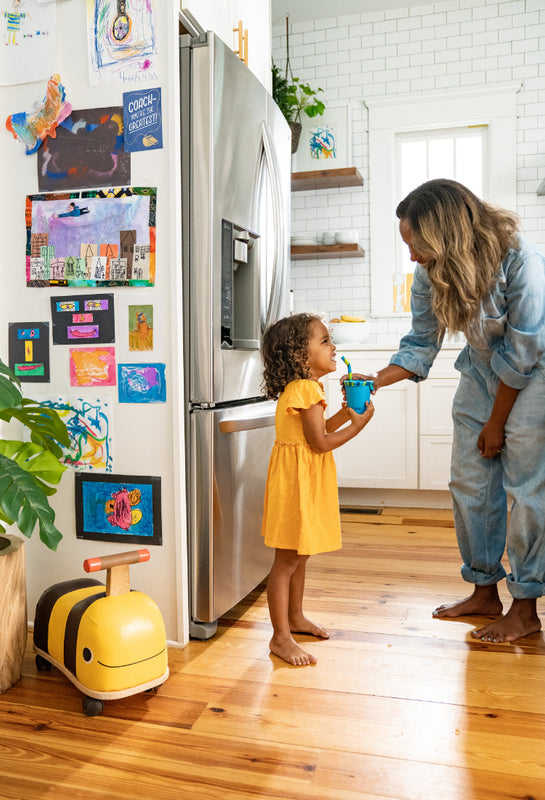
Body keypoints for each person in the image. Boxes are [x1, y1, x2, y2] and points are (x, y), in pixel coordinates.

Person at [349, 178, 545, 643]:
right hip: (480, 372)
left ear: (447, 233)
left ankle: (525, 605)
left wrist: (496, 424)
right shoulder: (431, 273)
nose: (413, 257)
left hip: (534, 374)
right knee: (468, 481)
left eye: (416, 244)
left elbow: (522, 354)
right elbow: (419, 344)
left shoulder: (522, 261)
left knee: (526, 487)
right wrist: (373, 380)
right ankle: (483, 590)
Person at [261, 313, 374, 666]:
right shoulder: (305, 389)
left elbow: (318, 429)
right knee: (287, 561)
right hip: (297, 483)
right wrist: (359, 425)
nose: (333, 346)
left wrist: (345, 412)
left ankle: (295, 618)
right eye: (324, 341)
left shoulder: (307, 390)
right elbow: (321, 443)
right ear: (300, 354)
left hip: (300, 480)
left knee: (300, 553)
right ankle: (280, 637)